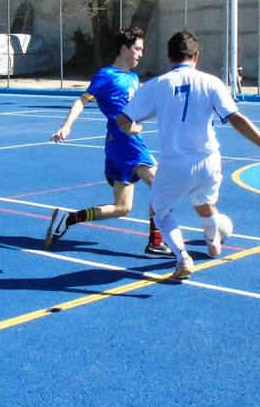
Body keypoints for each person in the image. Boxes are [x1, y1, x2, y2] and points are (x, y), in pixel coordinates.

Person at [118, 30, 260, 280]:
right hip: (209, 161)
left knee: (160, 211)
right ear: (196, 56)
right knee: (203, 203)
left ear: (169, 57)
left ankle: (183, 257)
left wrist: (135, 127)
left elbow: (123, 119)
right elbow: (236, 118)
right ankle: (213, 243)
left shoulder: (157, 84)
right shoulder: (212, 82)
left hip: (175, 164)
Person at [44, 26, 171, 256]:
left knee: (122, 207)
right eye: (137, 49)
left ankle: (68, 219)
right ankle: (156, 241)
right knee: (162, 184)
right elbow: (82, 101)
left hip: (122, 141)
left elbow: (137, 110)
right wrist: (67, 125)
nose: (141, 54)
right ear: (124, 48)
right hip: (124, 140)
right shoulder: (106, 75)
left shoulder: (133, 77)